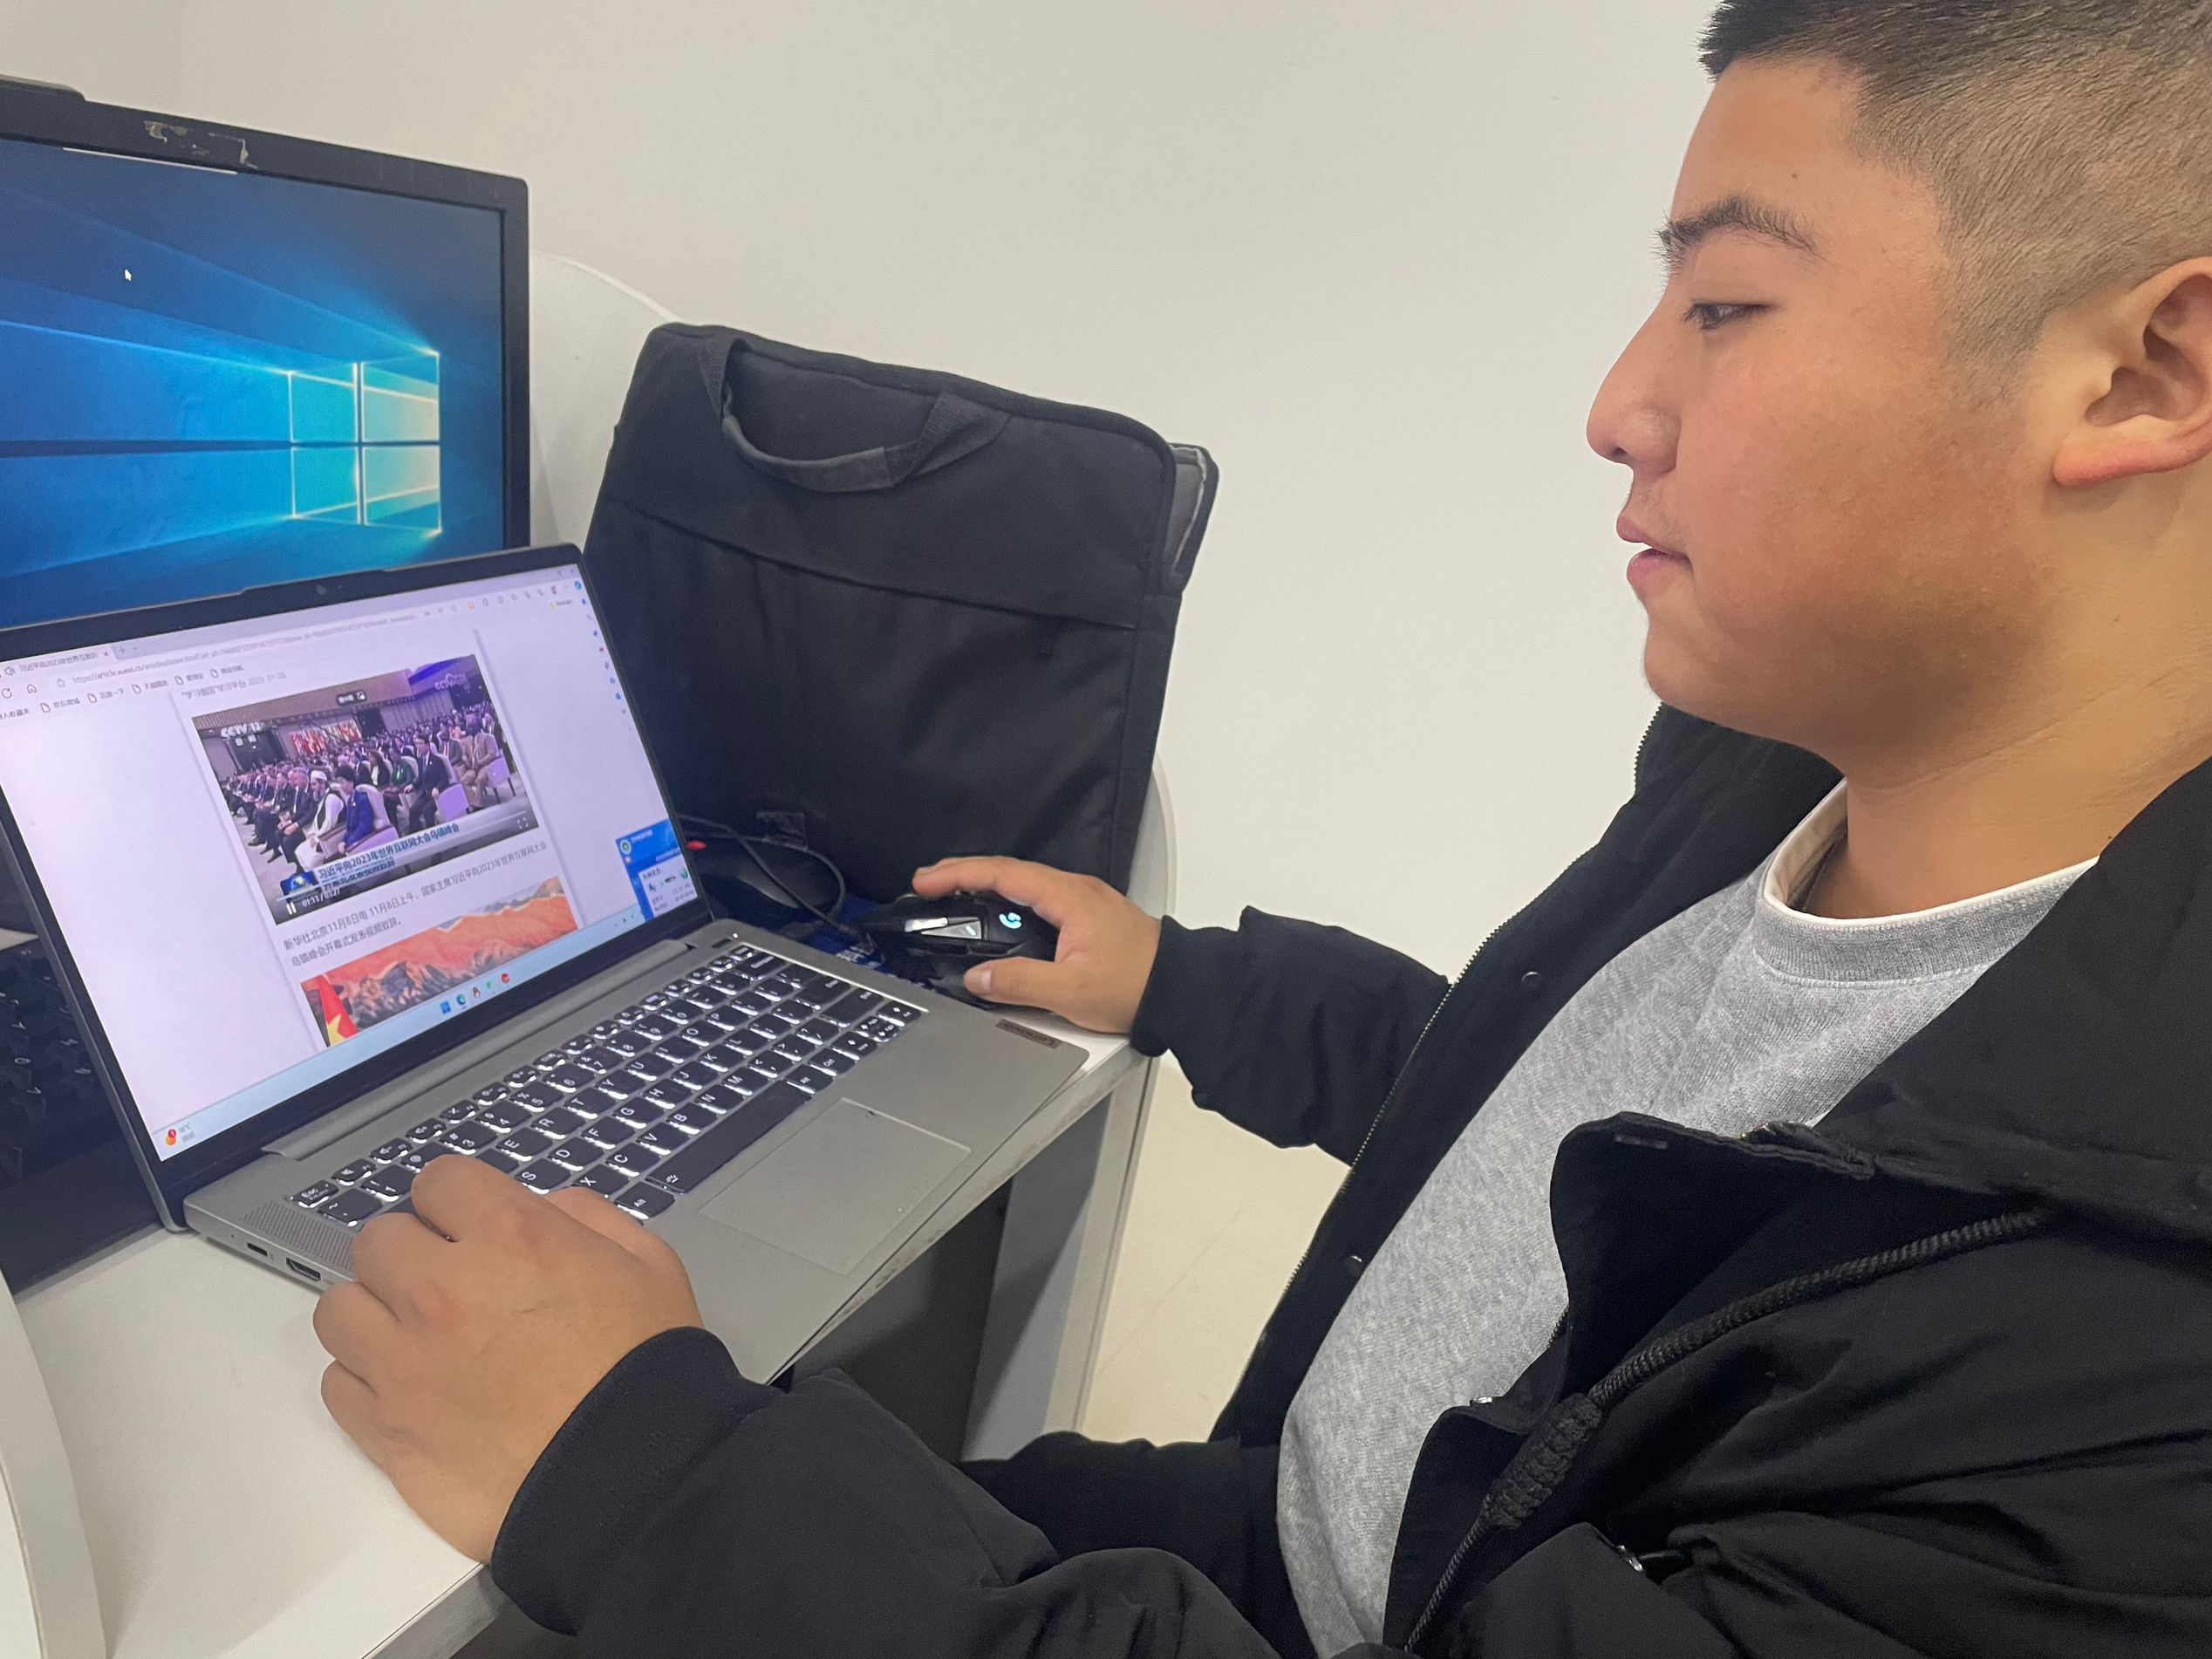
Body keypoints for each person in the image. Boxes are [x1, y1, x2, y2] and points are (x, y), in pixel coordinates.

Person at [309, 7, 2212, 1656]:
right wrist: (1184, 982)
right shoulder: (1782, 773)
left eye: (1725, 304)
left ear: (2144, 374)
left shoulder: (2129, 1388)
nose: (1617, 405)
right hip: (1293, 1527)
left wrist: (651, 1476)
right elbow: (1580, 1140)